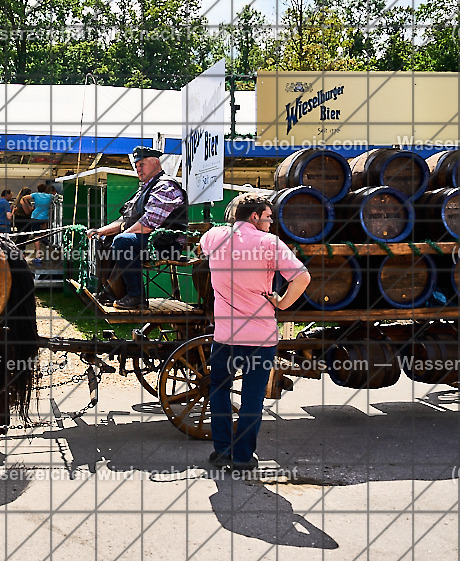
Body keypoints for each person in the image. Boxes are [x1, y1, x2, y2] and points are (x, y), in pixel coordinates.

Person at [199, 194, 311, 472]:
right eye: (268, 217)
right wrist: (282, 303)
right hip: (259, 337)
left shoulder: (215, 237)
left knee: (219, 391)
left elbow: (202, 247)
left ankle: (222, 451)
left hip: (225, 336)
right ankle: (242, 457)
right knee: (252, 398)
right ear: (254, 216)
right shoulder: (270, 243)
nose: (271, 223)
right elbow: (302, 277)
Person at [86, 146, 188, 310]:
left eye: (142, 164)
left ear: (156, 163)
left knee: (122, 241)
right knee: (106, 240)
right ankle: (111, 291)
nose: (138, 169)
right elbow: (125, 220)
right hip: (148, 241)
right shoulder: (145, 188)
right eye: (136, 165)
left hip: (166, 245)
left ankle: (136, 296)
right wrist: (100, 231)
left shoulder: (165, 187)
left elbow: (148, 224)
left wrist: (121, 236)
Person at [29, 183, 55, 266]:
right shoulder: (49, 196)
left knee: (36, 237)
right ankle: (45, 244)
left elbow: (24, 198)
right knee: (43, 235)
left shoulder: (35, 195)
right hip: (45, 218)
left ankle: (38, 255)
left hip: (35, 217)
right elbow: (57, 197)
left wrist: (29, 206)